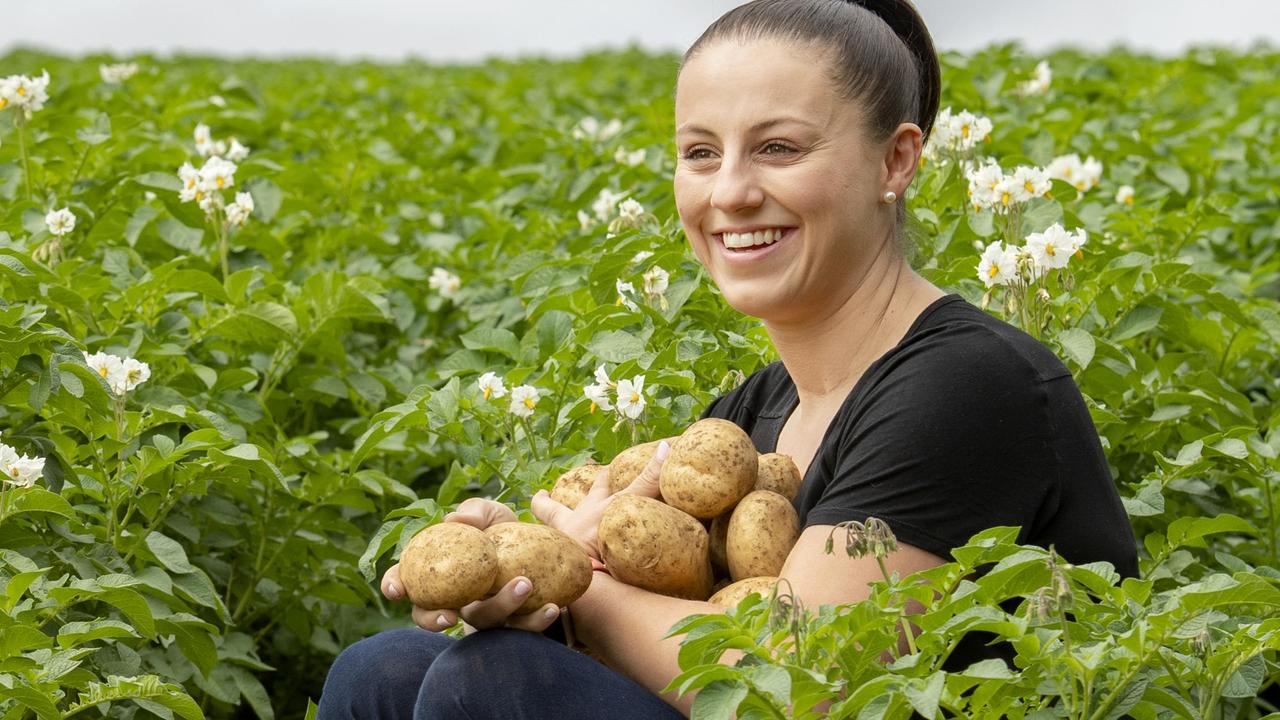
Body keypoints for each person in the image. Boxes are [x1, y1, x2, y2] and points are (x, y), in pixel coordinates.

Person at [317, 0, 1139, 717]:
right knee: (381, 671)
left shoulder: (969, 383)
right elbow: (671, 619)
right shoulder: (754, 409)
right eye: (701, 153)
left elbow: (803, 687)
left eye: (779, 148)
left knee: (494, 684)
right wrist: (519, 572)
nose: (730, 192)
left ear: (897, 160)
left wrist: (582, 577)